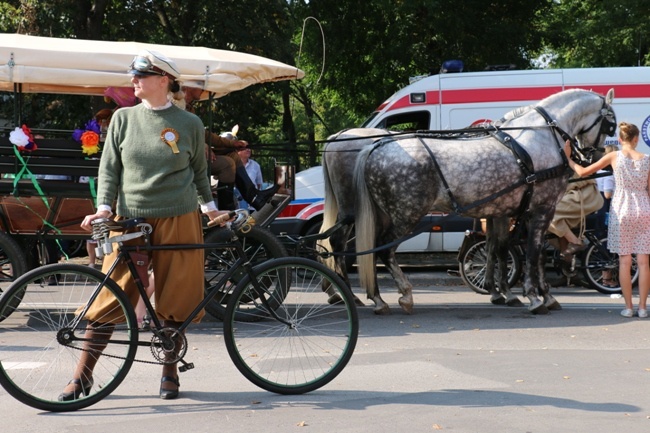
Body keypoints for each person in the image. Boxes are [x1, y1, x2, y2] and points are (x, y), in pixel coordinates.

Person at [59, 49, 229, 402]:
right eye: (133, 75)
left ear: (163, 80)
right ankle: (82, 377)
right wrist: (104, 208)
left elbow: (199, 173)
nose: (133, 81)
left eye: (141, 75)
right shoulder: (122, 119)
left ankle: (170, 372)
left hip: (180, 217)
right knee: (109, 296)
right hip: (130, 218)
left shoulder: (190, 125)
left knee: (176, 299)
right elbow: (109, 169)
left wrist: (210, 209)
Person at [564, 122, 650, 318]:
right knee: (644, 262)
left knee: (624, 261)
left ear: (620, 139)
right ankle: (643, 308)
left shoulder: (614, 156)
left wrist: (569, 159)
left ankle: (628, 308)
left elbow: (584, 172)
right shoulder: (647, 159)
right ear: (636, 139)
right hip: (644, 209)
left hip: (622, 209)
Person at [181, 86, 278, 210]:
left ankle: (253, 197)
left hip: (197, 153)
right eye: (200, 85)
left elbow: (204, 134)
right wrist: (202, 145)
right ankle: (226, 209)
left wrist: (233, 144)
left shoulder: (189, 108)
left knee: (233, 155)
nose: (203, 89)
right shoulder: (177, 107)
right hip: (187, 158)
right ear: (189, 87)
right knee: (227, 164)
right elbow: (180, 134)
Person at [547, 174, 604, 258]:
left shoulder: (575, 165)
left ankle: (575, 242)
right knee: (561, 223)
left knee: (548, 214)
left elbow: (581, 175)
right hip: (575, 195)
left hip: (585, 196)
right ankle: (567, 260)